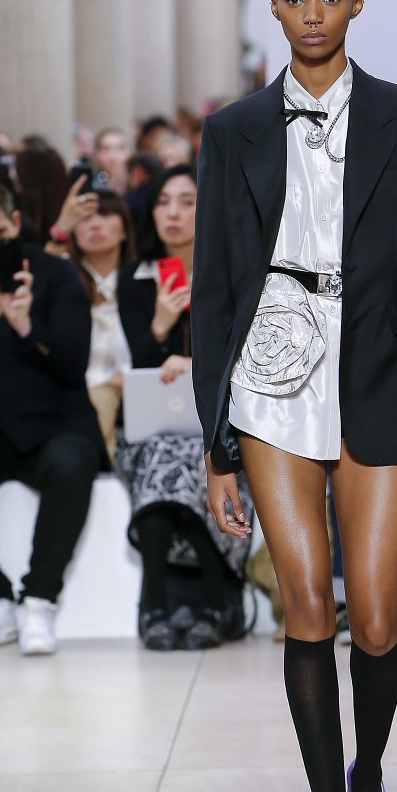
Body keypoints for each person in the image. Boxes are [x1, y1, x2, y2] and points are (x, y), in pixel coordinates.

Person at [191, 0, 397, 792]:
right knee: (308, 609)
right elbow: (216, 282)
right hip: (269, 372)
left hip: (379, 366)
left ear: (356, 4)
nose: (312, 12)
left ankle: (369, 776)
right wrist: (215, 442)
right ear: (273, 7)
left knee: (377, 621)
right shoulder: (232, 131)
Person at [0, 175, 104, 655]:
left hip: (55, 426)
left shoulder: (56, 274)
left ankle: (39, 600)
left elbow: (73, 364)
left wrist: (26, 326)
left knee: (73, 463)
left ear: (16, 222)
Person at [117, 165, 253, 652]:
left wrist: (195, 365)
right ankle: (200, 602)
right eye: (162, 202)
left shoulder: (233, 272)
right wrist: (159, 327)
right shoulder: (135, 279)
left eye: (187, 201)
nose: (173, 213)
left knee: (191, 459)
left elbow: (249, 355)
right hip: (150, 430)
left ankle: (166, 603)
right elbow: (138, 372)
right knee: (164, 453)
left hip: (221, 428)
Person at [69, 191, 135, 459]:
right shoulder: (63, 284)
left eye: (106, 215)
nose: (95, 224)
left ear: (125, 229)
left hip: (139, 393)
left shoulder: (143, 281)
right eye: (85, 218)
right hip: (80, 397)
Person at [92, 127, 130, 195]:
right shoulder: (92, 184)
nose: (112, 155)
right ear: (97, 154)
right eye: (106, 149)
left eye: (119, 148)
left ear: (128, 152)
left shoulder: (136, 184)